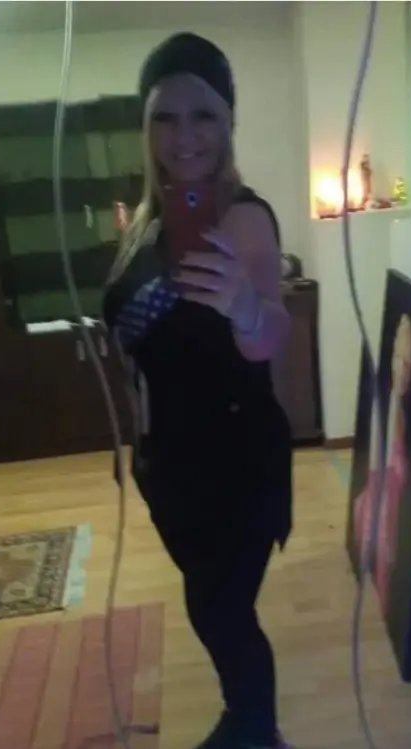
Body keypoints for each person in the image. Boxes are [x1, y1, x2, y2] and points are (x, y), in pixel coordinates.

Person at [102, 33, 293, 749]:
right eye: (165, 116)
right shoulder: (146, 222)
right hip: (168, 464)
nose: (184, 135)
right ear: (145, 125)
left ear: (228, 121)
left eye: (203, 114)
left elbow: (270, 334)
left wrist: (246, 309)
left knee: (223, 613)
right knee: (209, 605)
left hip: (234, 461)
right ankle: (250, 723)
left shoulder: (242, 217)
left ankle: (253, 729)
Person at [353, 313, 411, 613]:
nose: (402, 370)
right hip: (384, 495)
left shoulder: (401, 410)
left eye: (407, 364)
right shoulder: (388, 406)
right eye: (399, 362)